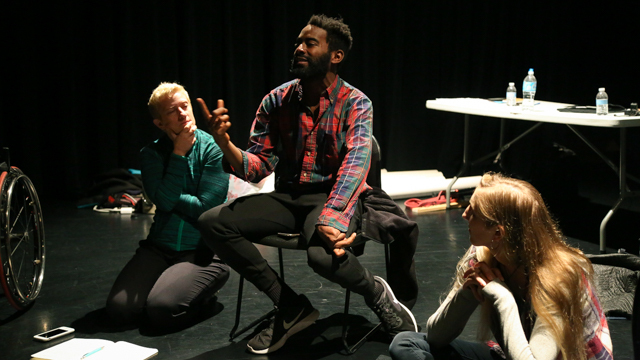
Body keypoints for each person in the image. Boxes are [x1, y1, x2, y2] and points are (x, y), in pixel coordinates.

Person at [196, 14, 418, 354]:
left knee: (323, 257)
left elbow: (355, 166)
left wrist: (331, 217)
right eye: (298, 42)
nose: (298, 48)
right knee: (212, 222)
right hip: (287, 196)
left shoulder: (357, 103)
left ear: (336, 55)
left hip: (332, 197)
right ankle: (290, 305)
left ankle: (376, 293)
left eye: (309, 43)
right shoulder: (277, 100)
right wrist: (224, 143)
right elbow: (258, 168)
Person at [389, 172, 613, 360]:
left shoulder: (558, 278)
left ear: (498, 232)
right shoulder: (484, 253)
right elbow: (436, 336)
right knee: (406, 343)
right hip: (514, 354)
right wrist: (467, 293)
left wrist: (502, 298)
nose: (465, 214)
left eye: (473, 211)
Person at [105, 82, 230, 329]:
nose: (183, 113)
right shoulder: (151, 153)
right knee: (120, 311)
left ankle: (204, 296)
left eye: (185, 106)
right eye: (173, 111)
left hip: (202, 251)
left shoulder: (213, 149)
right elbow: (161, 200)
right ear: (160, 123)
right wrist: (179, 155)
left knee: (161, 311)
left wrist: (168, 195)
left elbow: (206, 207)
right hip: (159, 248)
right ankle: (174, 285)